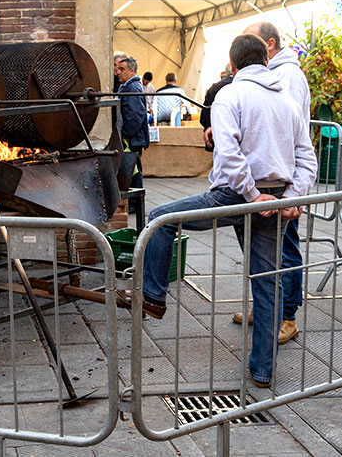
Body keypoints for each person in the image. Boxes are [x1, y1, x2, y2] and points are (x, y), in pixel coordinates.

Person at [116, 34, 317, 388]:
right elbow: (306, 157)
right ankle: (263, 371)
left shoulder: (231, 94)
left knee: (160, 219)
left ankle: (153, 296)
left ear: (233, 64)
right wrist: (292, 196)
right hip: (274, 198)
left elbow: (230, 155)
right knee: (267, 283)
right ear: (265, 61)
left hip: (237, 195)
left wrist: (252, 195)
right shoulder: (286, 100)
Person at [231, 22, 312, 345]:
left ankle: (286, 316)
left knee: (285, 250)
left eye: (250, 38)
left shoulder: (287, 75)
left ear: (268, 43)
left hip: (282, 184)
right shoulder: (271, 74)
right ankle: (268, 309)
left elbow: (284, 129)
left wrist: (293, 192)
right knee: (266, 252)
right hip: (273, 182)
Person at [116, 57, 149, 216]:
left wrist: (126, 134)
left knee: (134, 171)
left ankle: (135, 204)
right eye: (118, 68)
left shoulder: (133, 87)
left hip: (132, 139)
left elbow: (136, 115)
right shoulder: (128, 86)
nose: (118, 72)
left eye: (122, 69)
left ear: (131, 71)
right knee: (132, 169)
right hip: (131, 137)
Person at [200, 64, 233, 151]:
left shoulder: (213, 88)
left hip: (215, 138)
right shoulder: (241, 86)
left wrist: (209, 127)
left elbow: (203, 118)